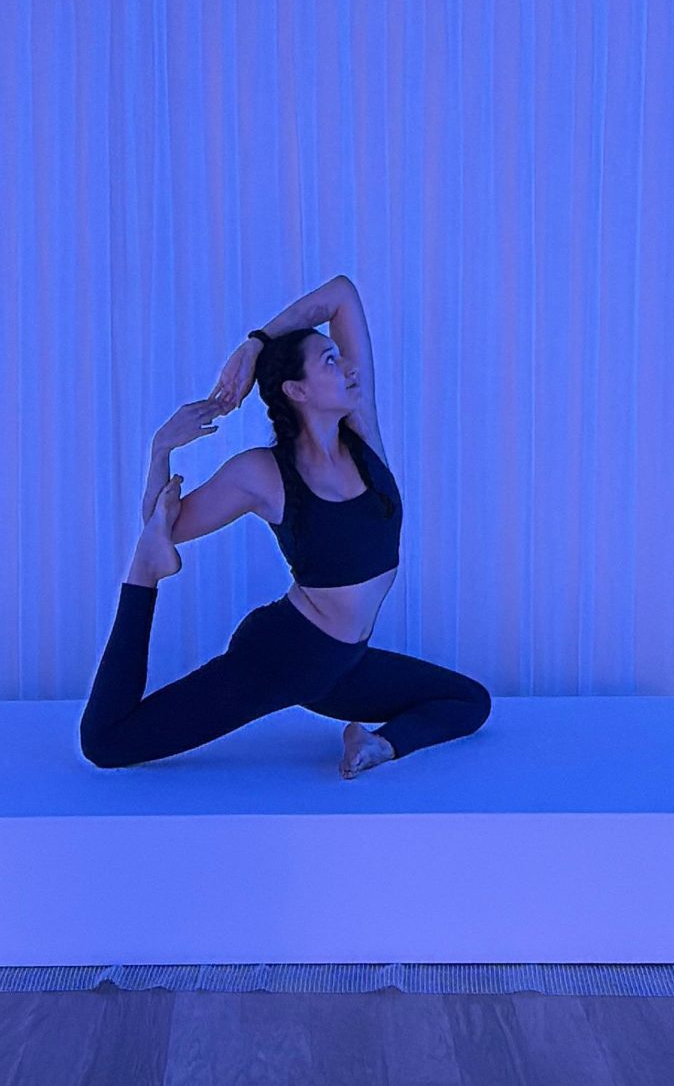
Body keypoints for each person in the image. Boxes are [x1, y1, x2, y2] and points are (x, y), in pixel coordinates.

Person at [78, 272, 491, 777]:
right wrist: (161, 448)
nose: (350, 367)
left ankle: (375, 745)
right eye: (330, 361)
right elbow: (161, 526)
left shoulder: (362, 432)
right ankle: (143, 577)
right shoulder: (264, 473)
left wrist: (256, 342)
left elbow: (341, 294)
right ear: (297, 389)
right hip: (285, 657)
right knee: (106, 743)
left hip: (344, 664)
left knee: (469, 701)